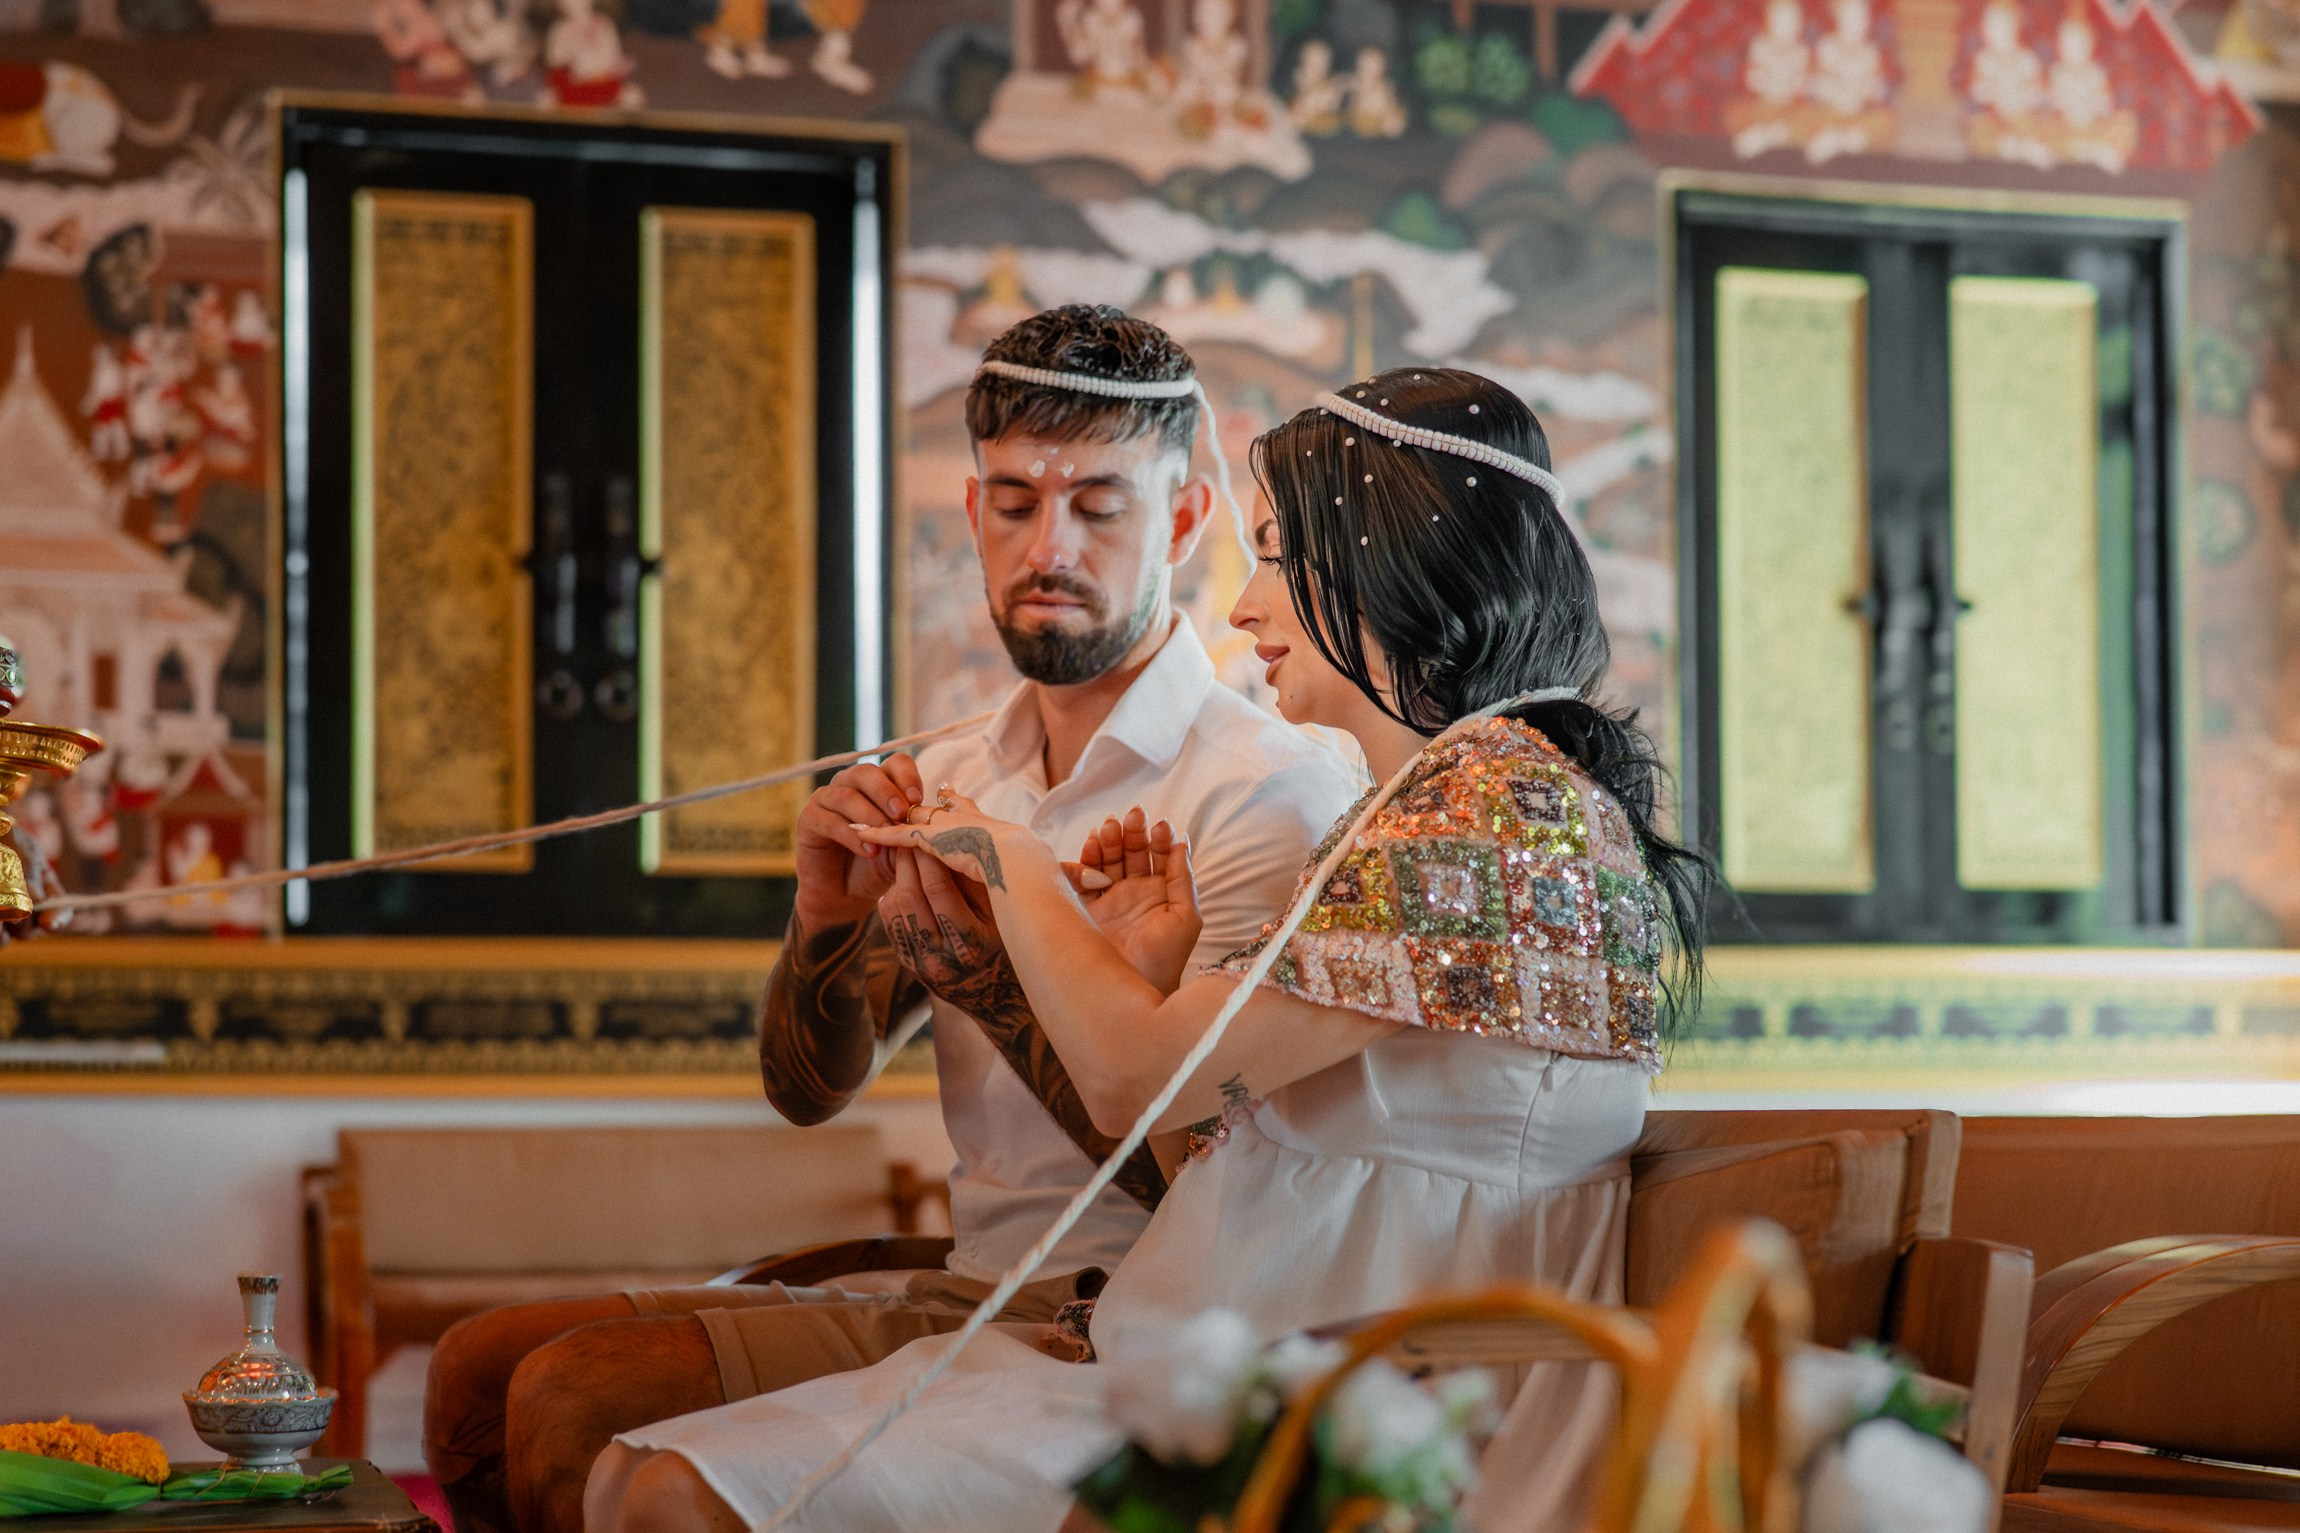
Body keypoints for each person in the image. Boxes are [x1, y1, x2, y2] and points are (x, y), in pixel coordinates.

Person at [588, 367, 1710, 1533]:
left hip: (1378, 1403)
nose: (1243, 607)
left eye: (1274, 554)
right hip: (1271, 1351)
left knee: (676, 1497)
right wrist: (1148, 971)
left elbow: (1135, 1081)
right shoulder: (1446, 798)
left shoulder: (1490, 811)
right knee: (636, 1475)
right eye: (1010, 501)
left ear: (1381, 559)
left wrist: (1014, 869)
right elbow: (1202, 1148)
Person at [420, 307, 1361, 1533]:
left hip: (1120, 1309)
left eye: (1098, 505)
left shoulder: (1261, 785)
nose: (1048, 546)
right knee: (478, 1369)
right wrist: (820, 921)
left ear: (1182, 523)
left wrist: (991, 984)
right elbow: (807, 1092)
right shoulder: (949, 770)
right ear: (970, 517)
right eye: (1014, 502)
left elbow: (1220, 1187)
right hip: (971, 1280)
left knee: (566, 1393)